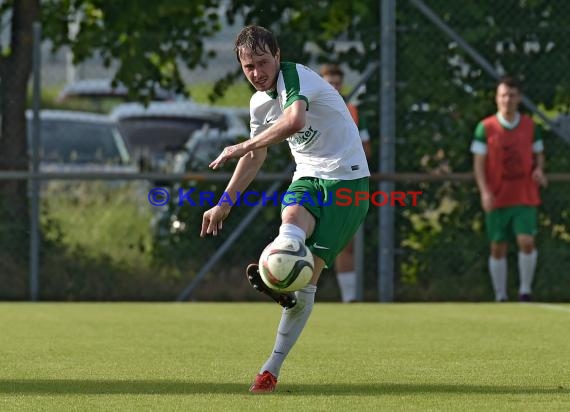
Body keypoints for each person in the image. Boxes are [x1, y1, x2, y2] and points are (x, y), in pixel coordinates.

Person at [200, 25, 370, 393]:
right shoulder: (260, 102)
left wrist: (240, 145)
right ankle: (279, 279)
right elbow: (258, 155)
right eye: (249, 67)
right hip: (308, 177)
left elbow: (294, 121)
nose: (257, 73)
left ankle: (272, 364)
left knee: (307, 284)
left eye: (263, 63)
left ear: (277, 56)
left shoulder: (295, 77)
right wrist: (224, 203)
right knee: (290, 223)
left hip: (348, 183)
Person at [471, 76, 546, 302]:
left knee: (526, 241)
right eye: (503, 95)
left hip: (524, 195)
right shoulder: (485, 127)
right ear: (496, 98)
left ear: (519, 98)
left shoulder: (531, 126)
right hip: (496, 196)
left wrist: (539, 170)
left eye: (512, 95)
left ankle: (525, 291)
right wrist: (484, 191)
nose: (507, 100)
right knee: (498, 246)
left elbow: (539, 156)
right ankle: (500, 296)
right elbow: (479, 163)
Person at [320, 63, 372, 302]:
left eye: (337, 83)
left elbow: (366, 148)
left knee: (345, 241)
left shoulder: (351, 110)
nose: (334, 87)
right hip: (317, 179)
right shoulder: (309, 107)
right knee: (310, 237)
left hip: (347, 180)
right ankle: (300, 292)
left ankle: (348, 299)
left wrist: (349, 158)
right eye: (329, 82)